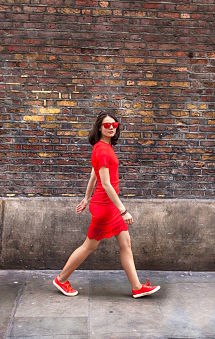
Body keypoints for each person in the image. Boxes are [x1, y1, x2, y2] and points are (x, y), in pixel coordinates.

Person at [53, 112, 160, 299]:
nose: (111, 127)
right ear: (99, 127)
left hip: (108, 205)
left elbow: (93, 175)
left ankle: (137, 287)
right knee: (89, 246)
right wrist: (123, 210)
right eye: (106, 125)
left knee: (125, 243)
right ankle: (61, 279)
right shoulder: (102, 150)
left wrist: (86, 198)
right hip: (105, 207)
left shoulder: (103, 147)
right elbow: (106, 184)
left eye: (114, 124)